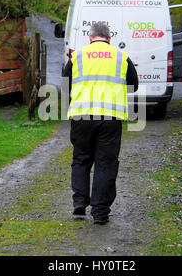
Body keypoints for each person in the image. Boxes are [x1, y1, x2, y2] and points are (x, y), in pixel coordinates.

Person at [62, 22, 138, 225]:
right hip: (110, 118)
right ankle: (100, 212)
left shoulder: (76, 56)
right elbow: (134, 85)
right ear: (109, 39)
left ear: (90, 37)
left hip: (81, 116)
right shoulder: (121, 57)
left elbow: (65, 84)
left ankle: (79, 202)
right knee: (106, 163)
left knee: (81, 160)